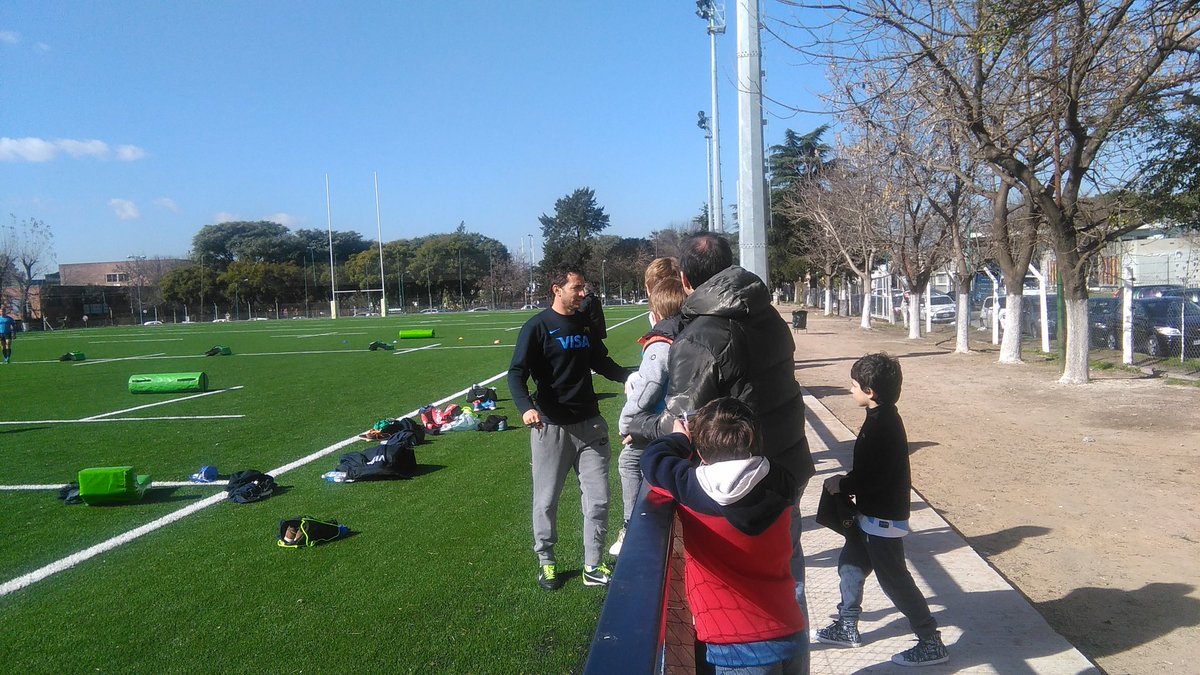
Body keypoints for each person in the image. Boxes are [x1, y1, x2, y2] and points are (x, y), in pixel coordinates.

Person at [625, 232, 814, 670]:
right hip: (786, 465)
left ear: (685, 279)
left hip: (741, 469)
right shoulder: (767, 315)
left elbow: (682, 421)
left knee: (741, 584)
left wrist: (639, 425)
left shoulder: (702, 335)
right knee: (786, 574)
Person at [641, 397, 806, 674]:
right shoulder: (781, 480)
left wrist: (680, 439)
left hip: (734, 647)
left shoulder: (692, 487)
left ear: (701, 455)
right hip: (789, 632)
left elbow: (652, 461)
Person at [815, 353, 949, 667]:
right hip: (870, 515)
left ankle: (931, 641)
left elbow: (875, 476)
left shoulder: (882, 427)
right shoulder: (880, 417)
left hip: (883, 519)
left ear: (870, 392)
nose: (850, 391)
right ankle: (847, 624)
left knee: (894, 580)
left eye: (853, 386)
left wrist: (844, 484)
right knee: (850, 563)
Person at [507, 268, 629, 590]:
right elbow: (516, 374)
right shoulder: (537, 327)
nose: (582, 294)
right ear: (556, 289)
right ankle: (546, 562)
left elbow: (602, 363)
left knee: (599, 499)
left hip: (590, 424)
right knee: (546, 501)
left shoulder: (584, 325)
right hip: (551, 428)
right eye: (576, 288)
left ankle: (593, 564)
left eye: (583, 289)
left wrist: (631, 376)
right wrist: (526, 408)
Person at [611, 273, 686, 555]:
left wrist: (627, 424)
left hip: (658, 425)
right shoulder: (688, 334)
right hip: (676, 421)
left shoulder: (660, 342)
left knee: (629, 461)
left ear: (655, 312)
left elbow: (649, 388)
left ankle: (632, 526)